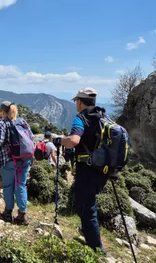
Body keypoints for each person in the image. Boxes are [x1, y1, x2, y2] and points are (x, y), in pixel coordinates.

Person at [53, 87, 109, 255]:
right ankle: (89, 232)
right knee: (87, 205)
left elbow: (74, 140)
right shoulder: (103, 117)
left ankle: (97, 251)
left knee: (86, 207)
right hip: (103, 170)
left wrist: (60, 140)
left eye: (76, 100)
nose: (75, 103)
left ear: (80, 101)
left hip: (87, 170)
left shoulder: (81, 118)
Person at [0, 101, 33, 225]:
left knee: (8, 186)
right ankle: (22, 215)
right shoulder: (22, 122)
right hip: (25, 158)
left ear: (3, 111)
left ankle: (7, 213)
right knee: (21, 185)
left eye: (0, 111)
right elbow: (31, 137)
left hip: (9, 160)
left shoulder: (2, 123)